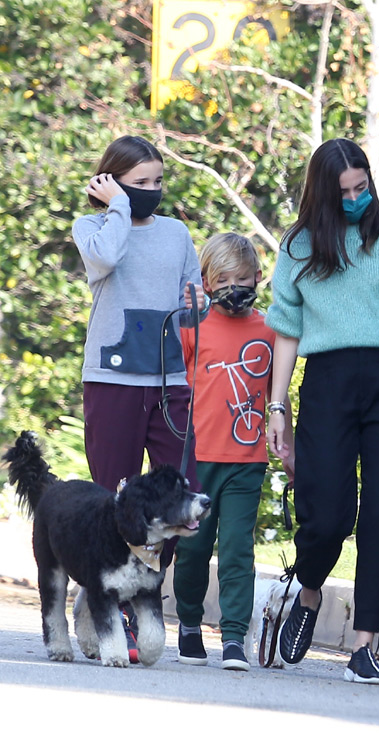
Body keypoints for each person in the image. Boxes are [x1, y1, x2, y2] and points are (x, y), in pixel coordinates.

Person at [265, 138, 379, 684]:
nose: (354, 198)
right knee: (325, 513)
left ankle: (366, 641)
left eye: (361, 187)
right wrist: (278, 406)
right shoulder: (299, 246)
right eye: (343, 191)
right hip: (327, 383)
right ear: (322, 194)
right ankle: (312, 589)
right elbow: (286, 330)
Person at [72, 134, 209, 663]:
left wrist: (198, 307)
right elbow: (105, 260)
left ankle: (138, 587)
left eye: (158, 182)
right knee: (112, 494)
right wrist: (120, 209)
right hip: (112, 380)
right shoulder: (94, 228)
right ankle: (113, 607)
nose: (152, 191)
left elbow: (192, 299)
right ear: (111, 184)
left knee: (182, 494)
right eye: (140, 183)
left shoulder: (176, 233)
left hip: (171, 380)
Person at [173, 232, 294, 671]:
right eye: (221, 280)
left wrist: (288, 448)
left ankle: (234, 638)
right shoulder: (191, 327)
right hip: (197, 461)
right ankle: (188, 624)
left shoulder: (271, 328)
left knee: (238, 550)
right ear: (205, 281)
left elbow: (279, 395)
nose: (232, 288)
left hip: (247, 462)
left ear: (259, 277)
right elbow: (176, 391)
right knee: (193, 548)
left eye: (241, 278)